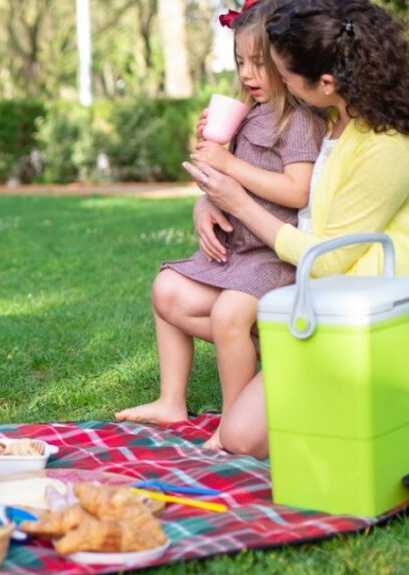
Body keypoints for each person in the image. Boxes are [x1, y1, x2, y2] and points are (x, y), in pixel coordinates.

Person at [184, 0, 409, 458]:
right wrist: (209, 198)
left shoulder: (387, 145)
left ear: (326, 83)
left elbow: (327, 260)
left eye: (286, 77)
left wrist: (240, 204)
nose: (279, 84)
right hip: (321, 298)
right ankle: (315, 388)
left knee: (241, 438)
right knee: (186, 303)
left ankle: (360, 397)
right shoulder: (337, 116)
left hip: (367, 312)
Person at [115, 0, 325, 450]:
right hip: (239, 252)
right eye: (240, 61)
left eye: (260, 63)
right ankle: (171, 399)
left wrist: (228, 162)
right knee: (166, 288)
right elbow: (224, 183)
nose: (248, 73)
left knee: (230, 313)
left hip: (275, 254)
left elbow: (297, 191)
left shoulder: (300, 120)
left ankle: (232, 421)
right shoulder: (246, 113)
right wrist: (209, 172)